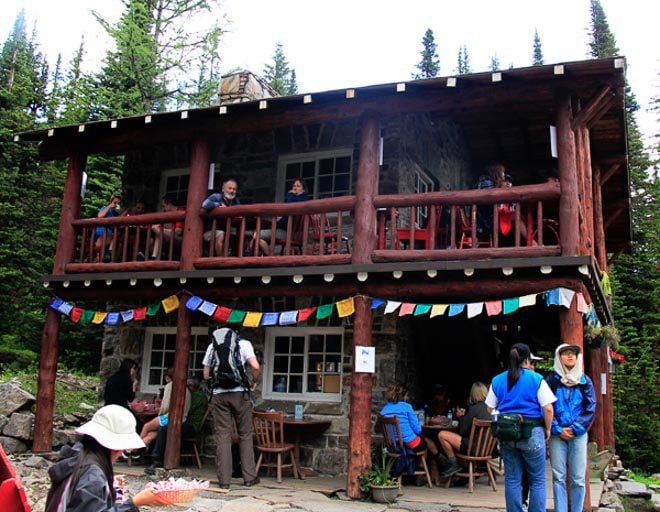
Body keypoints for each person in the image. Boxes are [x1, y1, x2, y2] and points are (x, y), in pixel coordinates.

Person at [45, 404, 169, 511]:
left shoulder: (77, 456)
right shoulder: (92, 475)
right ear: (115, 447)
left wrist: (107, 483)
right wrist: (135, 502)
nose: (121, 453)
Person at [485, 342, 556, 512]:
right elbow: (548, 408)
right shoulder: (536, 379)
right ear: (526, 359)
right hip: (532, 432)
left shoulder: (498, 380)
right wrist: (547, 429)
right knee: (537, 479)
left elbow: (489, 407)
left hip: (508, 435)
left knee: (512, 479)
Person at [203, 327, 261, 489]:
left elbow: (206, 375)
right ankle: (249, 477)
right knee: (245, 434)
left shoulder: (212, 346)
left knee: (222, 435)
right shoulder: (243, 344)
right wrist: (254, 382)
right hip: (240, 393)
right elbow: (255, 367)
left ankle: (224, 480)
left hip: (219, 395)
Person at [546, 344, 596, 512]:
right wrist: (558, 429)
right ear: (558, 357)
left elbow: (590, 408)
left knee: (578, 478)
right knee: (558, 477)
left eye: (573, 354)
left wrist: (575, 428)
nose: (570, 356)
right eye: (565, 353)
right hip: (557, 434)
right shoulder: (551, 381)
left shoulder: (584, 381)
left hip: (578, 434)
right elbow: (545, 406)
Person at [145, 376, 209, 473]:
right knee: (157, 428)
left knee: (164, 428)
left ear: (191, 387)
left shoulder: (198, 396)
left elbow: (183, 409)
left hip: (191, 426)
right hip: (183, 423)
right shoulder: (193, 394)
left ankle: (157, 460)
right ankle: (149, 456)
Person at [438, 381, 492, 477]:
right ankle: (463, 469)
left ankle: (453, 464)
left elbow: (463, 431)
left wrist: (461, 417)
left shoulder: (474, 409)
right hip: (487, 449)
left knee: (442, 434)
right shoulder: (491, 409)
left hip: (473, 448)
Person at [379, 383, 441, 460]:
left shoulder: (384, 410)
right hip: (409, 444)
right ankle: (423, 466)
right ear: (403, 396)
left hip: (393, 445)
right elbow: (418, 429)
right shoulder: (407, 407)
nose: (407, 398)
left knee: (422, 440)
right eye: (406, 395)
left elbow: (380, 429)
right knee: (425, 441)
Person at [254, 178, 311, 255]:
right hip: (285, 231)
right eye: (294, 186)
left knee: (256, 234)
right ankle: (270, 254)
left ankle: (270, 256)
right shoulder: (295, 199)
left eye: (298, 186)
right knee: (265, 237)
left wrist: (289, 194)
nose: (295, 188)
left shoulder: (302, 199)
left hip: (291, 233)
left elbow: (291, 206)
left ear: (303, 190)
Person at [139, 367, 190, 448]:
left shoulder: (170, 386)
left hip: (168, 417)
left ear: (167, 377)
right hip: (183, 419)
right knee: (152, 434)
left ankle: (133, 449)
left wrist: (159, 413)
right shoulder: (186, 388)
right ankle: (136, 451)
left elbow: (165, 406)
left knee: (146, 427)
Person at [202, 179, 241, 256]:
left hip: (227, 229)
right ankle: (220, 259)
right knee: (221, 234)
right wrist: (219, 205)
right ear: (223, 189)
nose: (232, 191)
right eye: (229, 188)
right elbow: (205, 205)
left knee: (236, 234)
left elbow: (239, 212)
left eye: (234, 189)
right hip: (210, 230)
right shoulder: (216, 196)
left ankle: (230, 257)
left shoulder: (235, 201)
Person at [150, 193, 184, 260]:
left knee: (158, 232)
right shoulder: (167, 214)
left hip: (181, 239)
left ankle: (154, 258)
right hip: (167, 237)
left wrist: (160, 230)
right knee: (151, 238)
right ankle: (154, 257)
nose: (163, 209)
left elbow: (178, 231)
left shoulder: (181, 212)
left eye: (163, 206)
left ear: (169, 204)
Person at [95, 194, 122, 262]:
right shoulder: (105, 208)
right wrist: (109, 206)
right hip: (101, 234)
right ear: (111, 202)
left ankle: (111, 257)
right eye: (115, 203)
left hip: (110, 236)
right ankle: (109, 253)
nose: (116, 205)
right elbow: (100, 216)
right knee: (115, 236)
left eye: (118, 204)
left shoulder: (116, 214)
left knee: (120, 239)